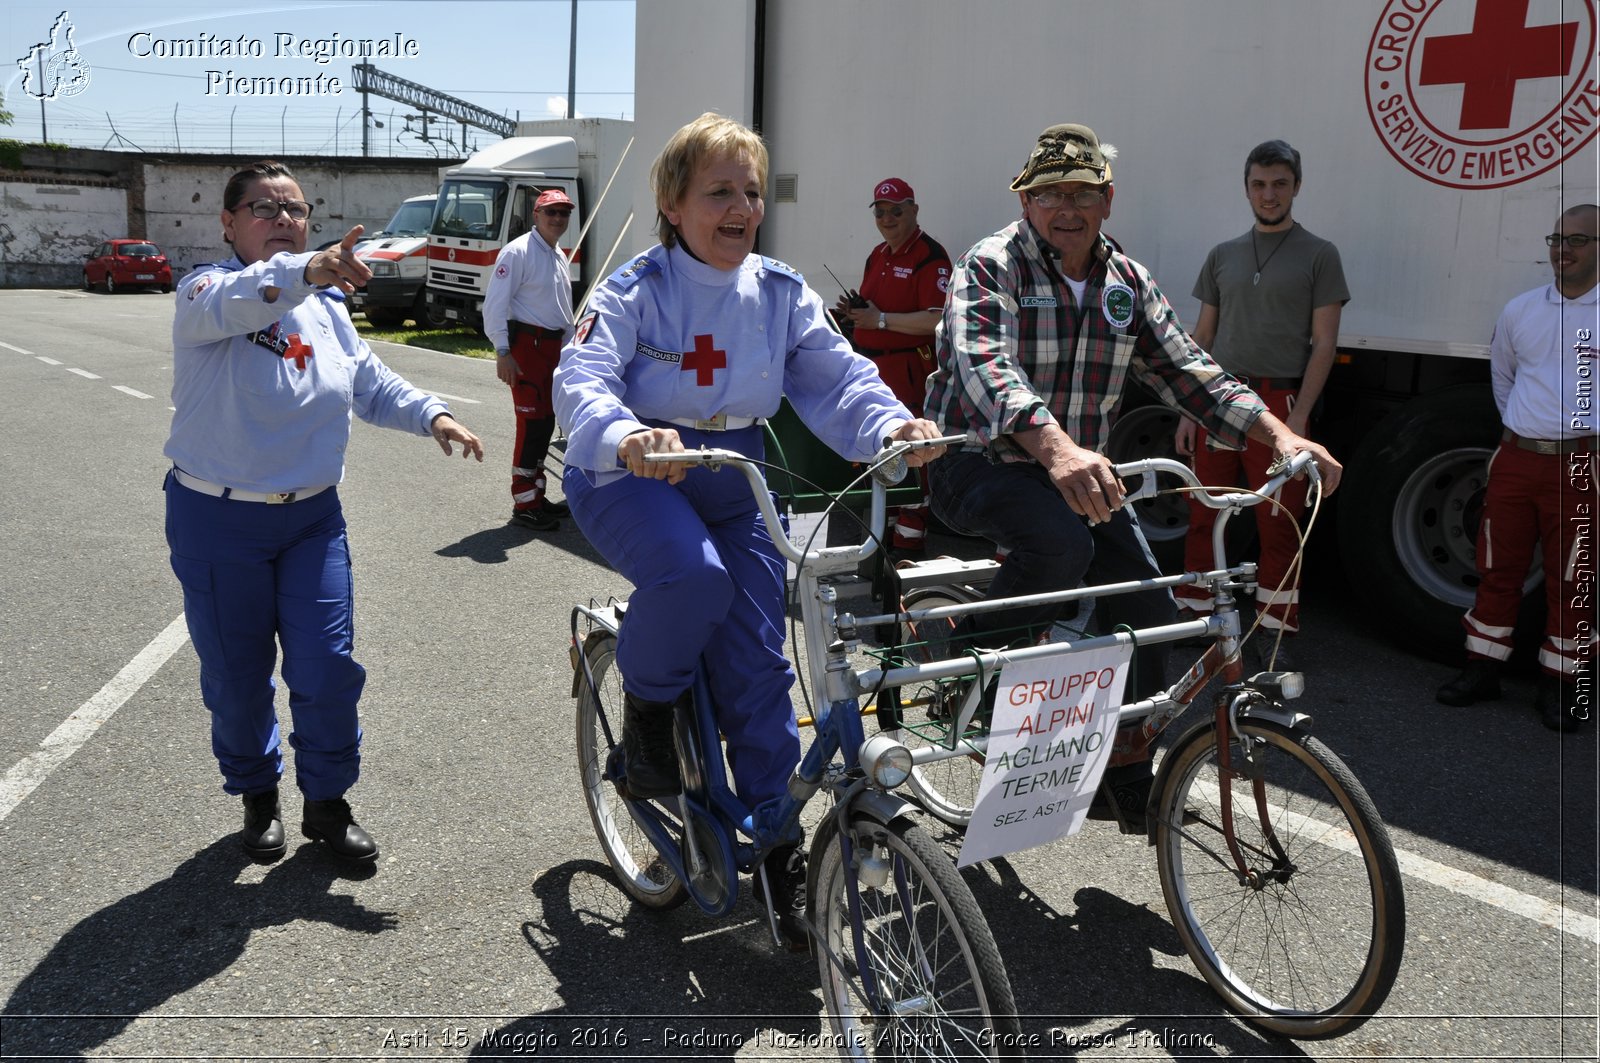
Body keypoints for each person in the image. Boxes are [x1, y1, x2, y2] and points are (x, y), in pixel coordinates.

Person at [553, 113, 945, 948]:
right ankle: (649, 718)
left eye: (753, 191)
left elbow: (839, 378)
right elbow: (582, 381)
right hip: (629, 469)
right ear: (671, 201)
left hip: (734, 465)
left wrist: (892, 426)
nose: (742, 207)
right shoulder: (632, 289)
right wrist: (627, 435)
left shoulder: (778, 290)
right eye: (719, 191)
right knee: (696, 581)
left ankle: (776, 838)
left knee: (762, 659)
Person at [924, 123, 1342, 826]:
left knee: (1150, 615)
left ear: (1108, 200)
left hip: (1078, 476)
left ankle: (1124, 762)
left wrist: (1279, 433)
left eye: (1082, 192)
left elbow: (1194, 373)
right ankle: (968, 649)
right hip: (977, 461)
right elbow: (986, 363)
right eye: (1049, 192)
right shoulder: (991, 264)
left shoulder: (1127, 281)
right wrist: (1056, 448)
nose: (1067, 207)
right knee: (1063, 544)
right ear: (1025, 202)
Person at [166, 159, 484, 862]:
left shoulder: (328, 307)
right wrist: (310, 267)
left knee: (326, 665)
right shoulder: (206, 292)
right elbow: (253, 296)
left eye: (296, 209)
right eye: (264, 209)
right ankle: (257, 796)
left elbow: (367, 381)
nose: (283, 220)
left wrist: (432, 413)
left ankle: (327, 804)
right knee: (237, 674)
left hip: (311, 518)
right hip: (217, 518)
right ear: (228, 223)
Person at [1174, 140, 1350, 665]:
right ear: (1247, 187)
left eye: (1278, 183)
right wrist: (1189, 408)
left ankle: (1274, 623)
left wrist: (1296, 422)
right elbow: (1200, 338)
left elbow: (1325, 344)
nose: (1268, 194)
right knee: (1206, 510)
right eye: (1258, 184)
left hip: (1280, 402)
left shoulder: (1320, 254)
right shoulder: (1222, 255)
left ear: (1296, 186)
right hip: (1221, 398)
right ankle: (1195, 613)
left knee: (1279, 516)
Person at [1436, 204, 1598, 732]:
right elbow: (1502, 378)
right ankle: (1482, 670)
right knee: (1497, 567)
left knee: (1572, 577)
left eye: (1577, 239)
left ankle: (1562, 686)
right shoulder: (1521, 310)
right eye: (1556, 238)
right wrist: (1525, 433)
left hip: (1580, 464)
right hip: (1516, 458)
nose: (1562, 248)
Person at [835, 178, 952, 556]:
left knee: (913, 452)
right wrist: (854, 313)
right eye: (881, 211)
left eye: (896, 210)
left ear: (914, 211)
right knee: (879, 450)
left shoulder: (930, 257)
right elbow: (873, 311)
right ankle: (884, 535)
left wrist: (880, 320)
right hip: (874, 369)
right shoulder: (877, 254)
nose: (887, 218)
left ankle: (909, 543)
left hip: (908, 373)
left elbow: (938, 321)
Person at [484, 188, 577, 532]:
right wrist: (503, 352)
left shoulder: (557, 254)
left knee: (546, 423)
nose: (557, 219)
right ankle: (524, 504)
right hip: (526, 346)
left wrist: (571, 347)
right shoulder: (518, 251)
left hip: (551, 348)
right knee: (531, 425)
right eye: (551, 212)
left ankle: (536, 495)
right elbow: (495, 303)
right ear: (536, 215)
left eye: (563, 213)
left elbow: (562, 310)